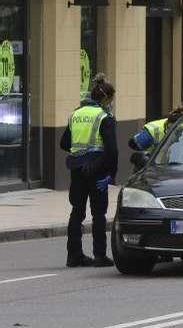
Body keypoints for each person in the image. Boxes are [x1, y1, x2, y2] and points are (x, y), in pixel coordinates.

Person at [60, 73, 118, 267]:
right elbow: (112, 151)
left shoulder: (75, 114)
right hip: (97, 169)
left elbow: (64, 142)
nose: (111, 103)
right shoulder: (104, 117)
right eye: (111, 100)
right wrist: (111, 174)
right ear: (105, 98)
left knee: (77, 212)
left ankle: (73, 255)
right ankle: (100, 255)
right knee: (98, 213)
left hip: (77, 169)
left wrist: (79, 151)